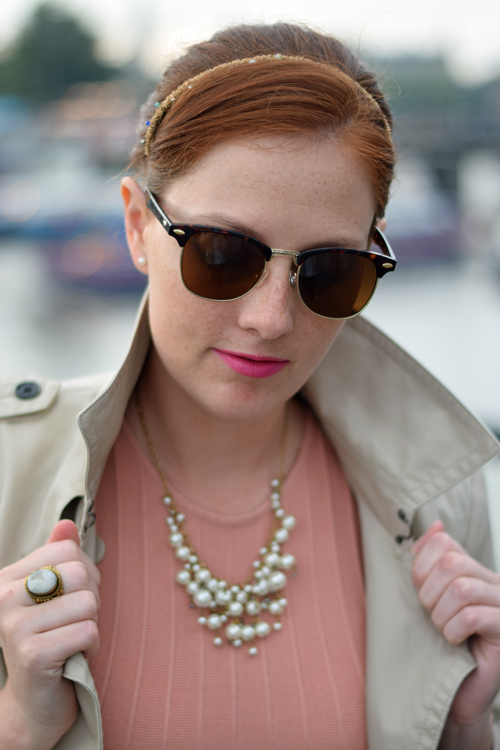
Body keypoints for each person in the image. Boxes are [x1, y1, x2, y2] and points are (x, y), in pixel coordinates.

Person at [0, 21, 499, 750]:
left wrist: (466, 725)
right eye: (222, 253)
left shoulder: (442, 502)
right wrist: (21, 720)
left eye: (330, 270)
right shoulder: (9, 475)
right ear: (137, 225)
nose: (271, 320)